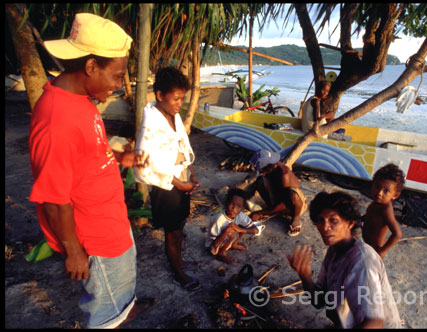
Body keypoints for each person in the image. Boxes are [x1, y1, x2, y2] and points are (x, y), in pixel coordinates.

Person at [28, 13, 156, 329]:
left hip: (110, 218)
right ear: (90, 67)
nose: (118, 85)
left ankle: (123, 309)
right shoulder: (56, 120)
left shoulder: (79, 98)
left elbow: (84, 155)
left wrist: (118, 159)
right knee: (103, 307)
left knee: (120, 282)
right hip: (94, 237)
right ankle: (111, 319)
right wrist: (73, 251)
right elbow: (54, 197)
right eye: (117, 76)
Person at [287, 191, 401, 328]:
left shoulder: (362, 261)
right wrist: (304, 275)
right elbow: (319, 301)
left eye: (333, 221)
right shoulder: (334, 251)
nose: (324, 227)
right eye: (320, 220)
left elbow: (374, 323)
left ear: (350, 223)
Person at [134, 66, 201, 291]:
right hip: (166, 184)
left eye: (182, 99)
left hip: (181, 179)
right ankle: (178, 273)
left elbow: (183, 142)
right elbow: (146, 160)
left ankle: (179, 261)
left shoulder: (173, 115)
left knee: (180, 225)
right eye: (175, 99)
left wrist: (192, 173)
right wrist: (180, 183)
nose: (179, 103)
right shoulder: (151, 122)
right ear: (160, 95)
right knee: (172, 231)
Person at [247, 149, 307, 237]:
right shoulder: (271, 169)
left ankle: (296, 218)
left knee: (293, 194)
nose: (261, 172)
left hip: (294, 205)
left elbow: (284, 203)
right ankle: (272, 210)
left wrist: (261, 212)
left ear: (269, 168)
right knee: (259, 181)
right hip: (279, 198)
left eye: (261, 170)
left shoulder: (284, 176)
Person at [362, 163, 405, 260]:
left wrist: (383, 250)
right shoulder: (377, 203)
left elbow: (397, 234)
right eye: (377, 186)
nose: (379, 193)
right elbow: (373, 216)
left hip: (375, 251)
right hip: (368, 246)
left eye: (386, 191)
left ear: (395, 195)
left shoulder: (386, 209)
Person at [208, 188, 260, 264]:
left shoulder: (240, 215)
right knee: (231, 230)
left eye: (238, 206)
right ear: (226, 204)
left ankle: (233, 244)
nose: (234, 209)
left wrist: (240, 230)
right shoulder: (219, 219)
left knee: (242, 228)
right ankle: (221, 253)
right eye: (232, 204)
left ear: (242, 209)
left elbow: (256, 230)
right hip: (214, 246)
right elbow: (214, 243)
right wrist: (226, 232)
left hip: (226, 240)